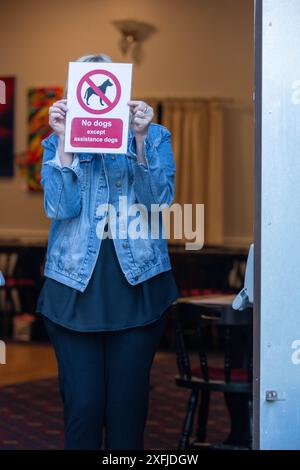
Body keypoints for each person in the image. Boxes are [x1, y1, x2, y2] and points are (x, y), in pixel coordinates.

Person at [35, 53, 179, 450]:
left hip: (139, 289)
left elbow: (158, 202)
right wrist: (64, 144)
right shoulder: (54, 142)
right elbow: (60, 208)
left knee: (126, 411)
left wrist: (139, 138)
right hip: (72, 292)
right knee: (83, 408)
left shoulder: (154, 135)